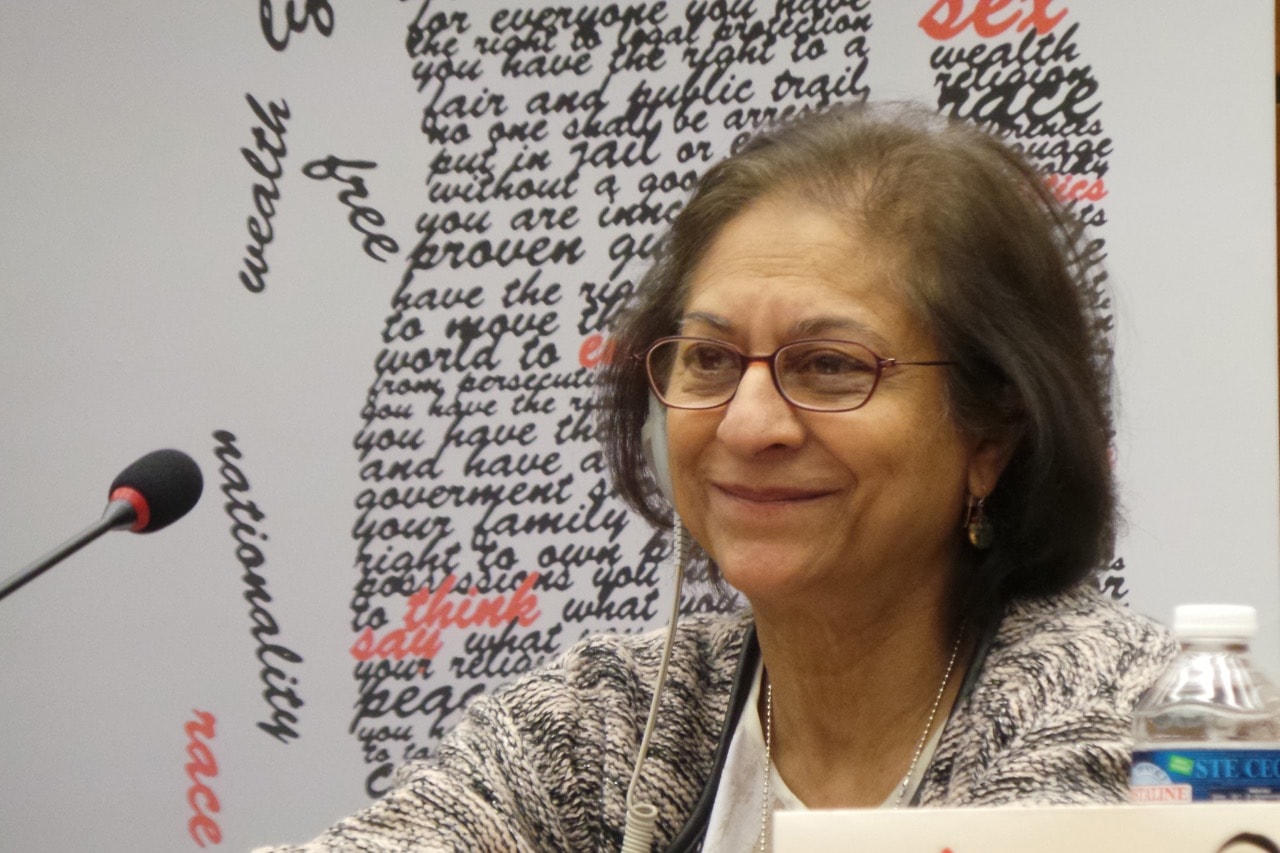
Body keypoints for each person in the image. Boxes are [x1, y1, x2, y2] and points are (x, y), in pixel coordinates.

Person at [259, 102, 1174, 852]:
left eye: (828, 366)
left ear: (992, 434)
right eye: (709, 359)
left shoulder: (1128, 720)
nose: (749, 423)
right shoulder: (612, 720)